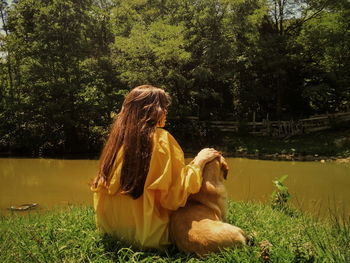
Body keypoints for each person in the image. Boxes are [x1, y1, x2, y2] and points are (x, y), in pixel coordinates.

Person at [91, 85, 220, 249]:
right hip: (148, 236)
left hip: (111, 231)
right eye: (163, 107)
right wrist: (199, 162)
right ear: (152, 111)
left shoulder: (117, 141)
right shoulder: (161, 139)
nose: (166, 112)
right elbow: (174, 198)